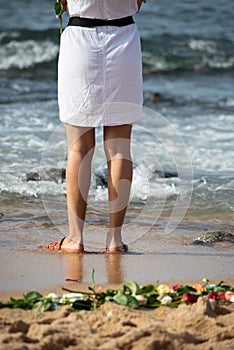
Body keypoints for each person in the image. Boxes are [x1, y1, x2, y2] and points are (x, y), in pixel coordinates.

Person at [46, 0, 146, 254]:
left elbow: (63, 3)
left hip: (81, 41)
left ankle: (75, 238)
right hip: (123, 41)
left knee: (79, 148)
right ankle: (114, 240)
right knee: (120, 149)